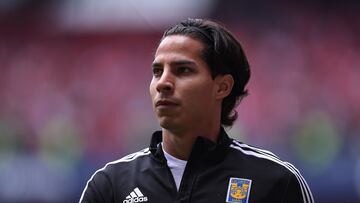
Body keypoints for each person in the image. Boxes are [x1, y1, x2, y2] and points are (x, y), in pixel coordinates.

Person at [79, 18, 314, 203]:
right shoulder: (109, 186)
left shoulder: (276, 182)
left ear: (222, 86)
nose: (163, 83)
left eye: (183, 70)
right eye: (157, 71)